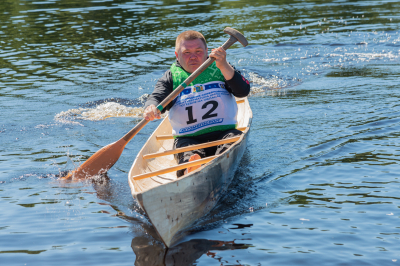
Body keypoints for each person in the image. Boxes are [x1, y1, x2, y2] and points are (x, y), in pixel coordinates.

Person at [143, 30, 250, 177]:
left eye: (198, 51)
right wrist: (151, 107)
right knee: (187, 152)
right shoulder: (171, 77)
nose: (193, 57)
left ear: (207, 52)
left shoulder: (221, 67)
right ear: (177, 55)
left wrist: (224, 65)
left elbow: (243, 91)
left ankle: (221, 161)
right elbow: (157, 96)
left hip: (225, 133)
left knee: (231, 141)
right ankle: (191, 168)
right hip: (188, 138)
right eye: (186, 52)